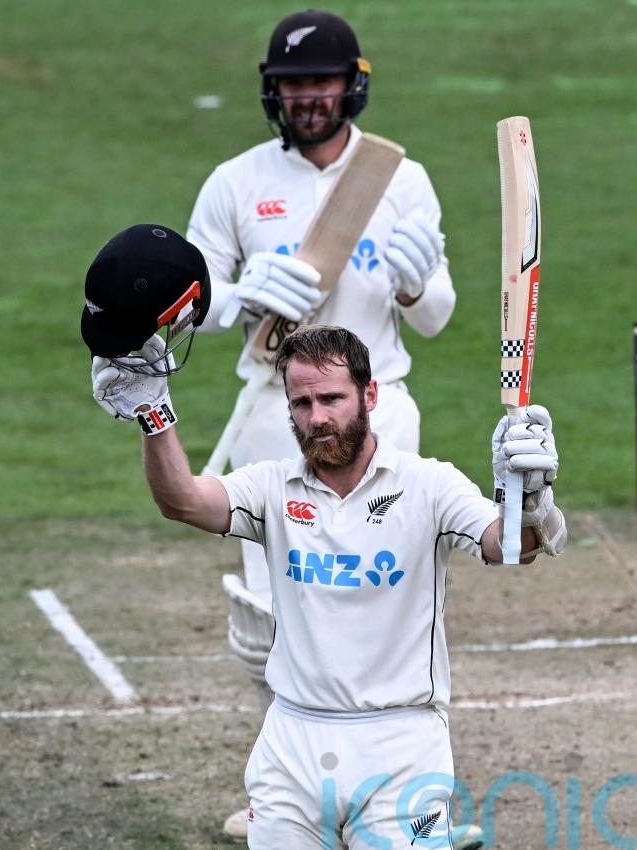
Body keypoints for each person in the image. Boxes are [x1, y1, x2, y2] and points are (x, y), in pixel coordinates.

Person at [84, 232, 566, 849]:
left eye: (332, 399)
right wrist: (155, 417)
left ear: (370, 395)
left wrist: (529, 498)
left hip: (400, 746)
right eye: (302, 403)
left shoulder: (428, 484)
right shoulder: (270, 486)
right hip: (292, 742)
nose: (317, 418)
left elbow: (511, 546)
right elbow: (182, 500)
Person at [185, 9, 464, 839]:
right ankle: (282, 784)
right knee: (266, 613)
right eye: (294, 84)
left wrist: (415, 285)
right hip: (278, 412)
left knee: (393, 600)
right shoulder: (236, 182)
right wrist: (242, 295)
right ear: (273, 92)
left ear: (352, 86)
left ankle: (410, 787)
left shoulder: (399, 178)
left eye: (323, 82)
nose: (309, 97)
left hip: (383, 415)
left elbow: (437, 315)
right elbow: (192, 295)